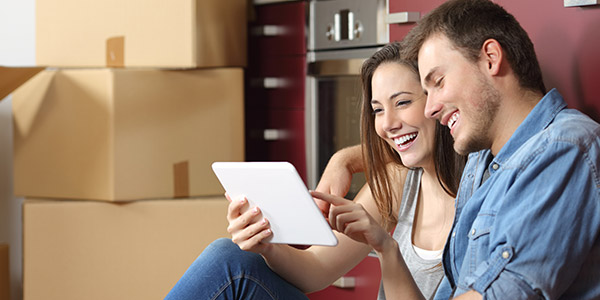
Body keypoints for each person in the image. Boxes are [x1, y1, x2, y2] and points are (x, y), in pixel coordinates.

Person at [316, 0, 600, 299]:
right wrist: (345, 160)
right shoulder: (480, 159)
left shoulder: (564, 149)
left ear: (490, 58)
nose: (431, 108)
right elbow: (409, 143)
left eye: (438, 82)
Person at [164, 42, 465, 300]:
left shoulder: (487, 192)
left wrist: (385, 247)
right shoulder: (399, 182)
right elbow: (316, 270)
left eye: (402, 102)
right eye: (377, 110)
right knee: (229, 258)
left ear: (436, 102)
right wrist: (267, 244)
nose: (387, 124)